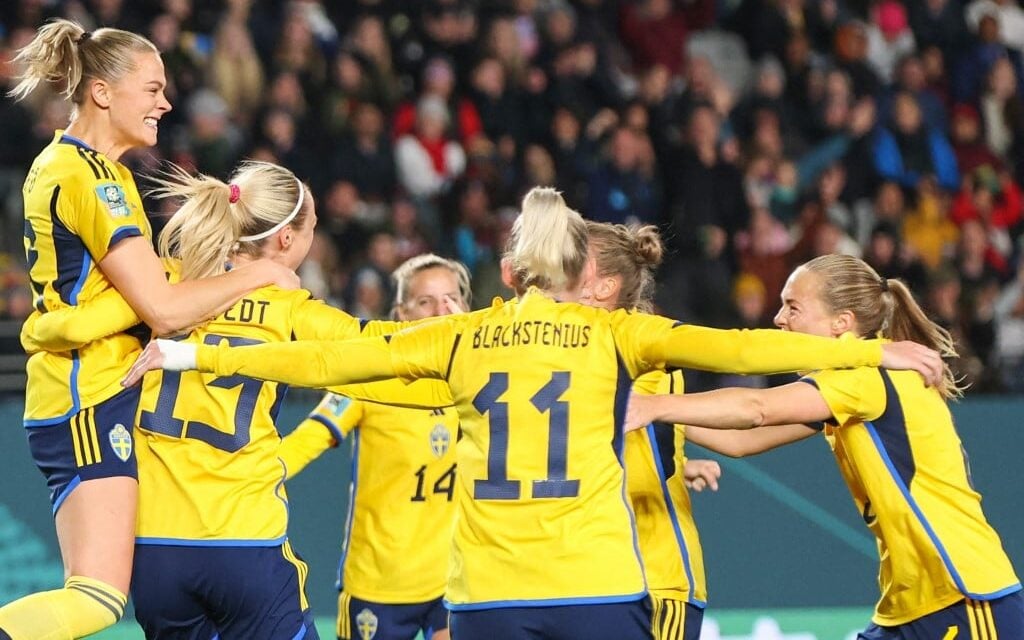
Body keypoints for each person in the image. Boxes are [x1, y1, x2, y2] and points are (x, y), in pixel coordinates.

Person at [126, 188, 943, 640]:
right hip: (594, 584)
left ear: (512, 267)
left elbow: (322, 362)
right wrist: (872, 351)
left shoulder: (464, 338)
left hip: (485, 598)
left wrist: (194, 352)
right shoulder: (618, 335)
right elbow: (740, 350)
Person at [19, 161, 421, 638]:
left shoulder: (161, 288)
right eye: (312, 228)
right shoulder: (289, 308)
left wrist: (39, 326)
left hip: (154, 550)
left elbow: (76, 323)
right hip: (242, 540)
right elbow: (376, 346)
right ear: (288, 240)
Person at [1, 20, 296, 640]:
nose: (165, 102)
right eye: (152, 88)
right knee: (96, 597)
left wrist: (74, 320)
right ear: (103, 92)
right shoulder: (96, 179)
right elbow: (161, 309)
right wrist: (260, 273)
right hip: (89, 395)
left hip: (75, 387)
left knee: (97, 595)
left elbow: (122, 296)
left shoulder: (66, 163)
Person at [626, 254, 1024, 640]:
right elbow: (739, 439)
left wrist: (655, 404)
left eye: (793, 307)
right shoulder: (850, 386)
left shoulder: (865, 380)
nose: (778, 318)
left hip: (964, 595)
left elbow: (756, 409)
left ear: (842, 324)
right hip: (910, 604)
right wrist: (654, 417)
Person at [282, 254, 471, 640]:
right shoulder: (372, 378)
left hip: (455, 580)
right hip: (379, 582)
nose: (442, 311)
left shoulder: (478, 381)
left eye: (452, 298)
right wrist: (254, 474)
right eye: (425, 301)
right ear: (400, 314)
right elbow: (310, 437)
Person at [582, 221, 714, 640]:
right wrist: (680, 462)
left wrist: (821, 409)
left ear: (603, 286)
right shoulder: (563, 360)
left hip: (654, 578)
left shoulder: (654, 364)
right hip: (587, 580)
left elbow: (742, 426)